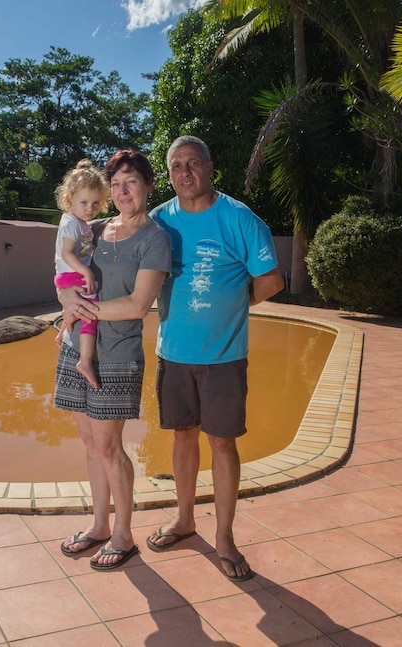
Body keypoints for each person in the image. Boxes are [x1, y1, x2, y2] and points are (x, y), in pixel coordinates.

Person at [146, 135, 284, 582]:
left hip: (224, 358)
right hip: (173, 354)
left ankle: (224, 536)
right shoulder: (157, 221)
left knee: (222, 443)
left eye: (193, 163)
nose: (185, 173)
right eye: (176, 166)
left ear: (209, 167)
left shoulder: (239, 218)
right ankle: (185, 519)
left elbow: (270, 280)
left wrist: (234, 302)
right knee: (182, 437)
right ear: (168, 174)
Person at [55, 150, 171, 570]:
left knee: (109, 446)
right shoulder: (96, 229)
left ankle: (124, 533)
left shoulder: (155, 238)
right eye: (117, 184)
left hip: (117, 356)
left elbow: (139, 305)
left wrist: (81, 308)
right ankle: (99, 524)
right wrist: (65, 299)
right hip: (76, 348)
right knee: (89, 443)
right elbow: (67, 276)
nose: (123, 191)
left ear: (148, 186)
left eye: (132, 182)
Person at [53, 160, 110, 389]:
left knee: (79, 305)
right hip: (71, 274)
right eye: (84, 202)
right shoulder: (71, 224)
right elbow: (67, 253)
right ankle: (85, 361)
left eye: (95, 203)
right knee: (90, 311)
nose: (90, 208)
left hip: (70, 275)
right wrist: (86, 271)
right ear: (70, 200)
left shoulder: (83, 224)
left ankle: (62, 331)